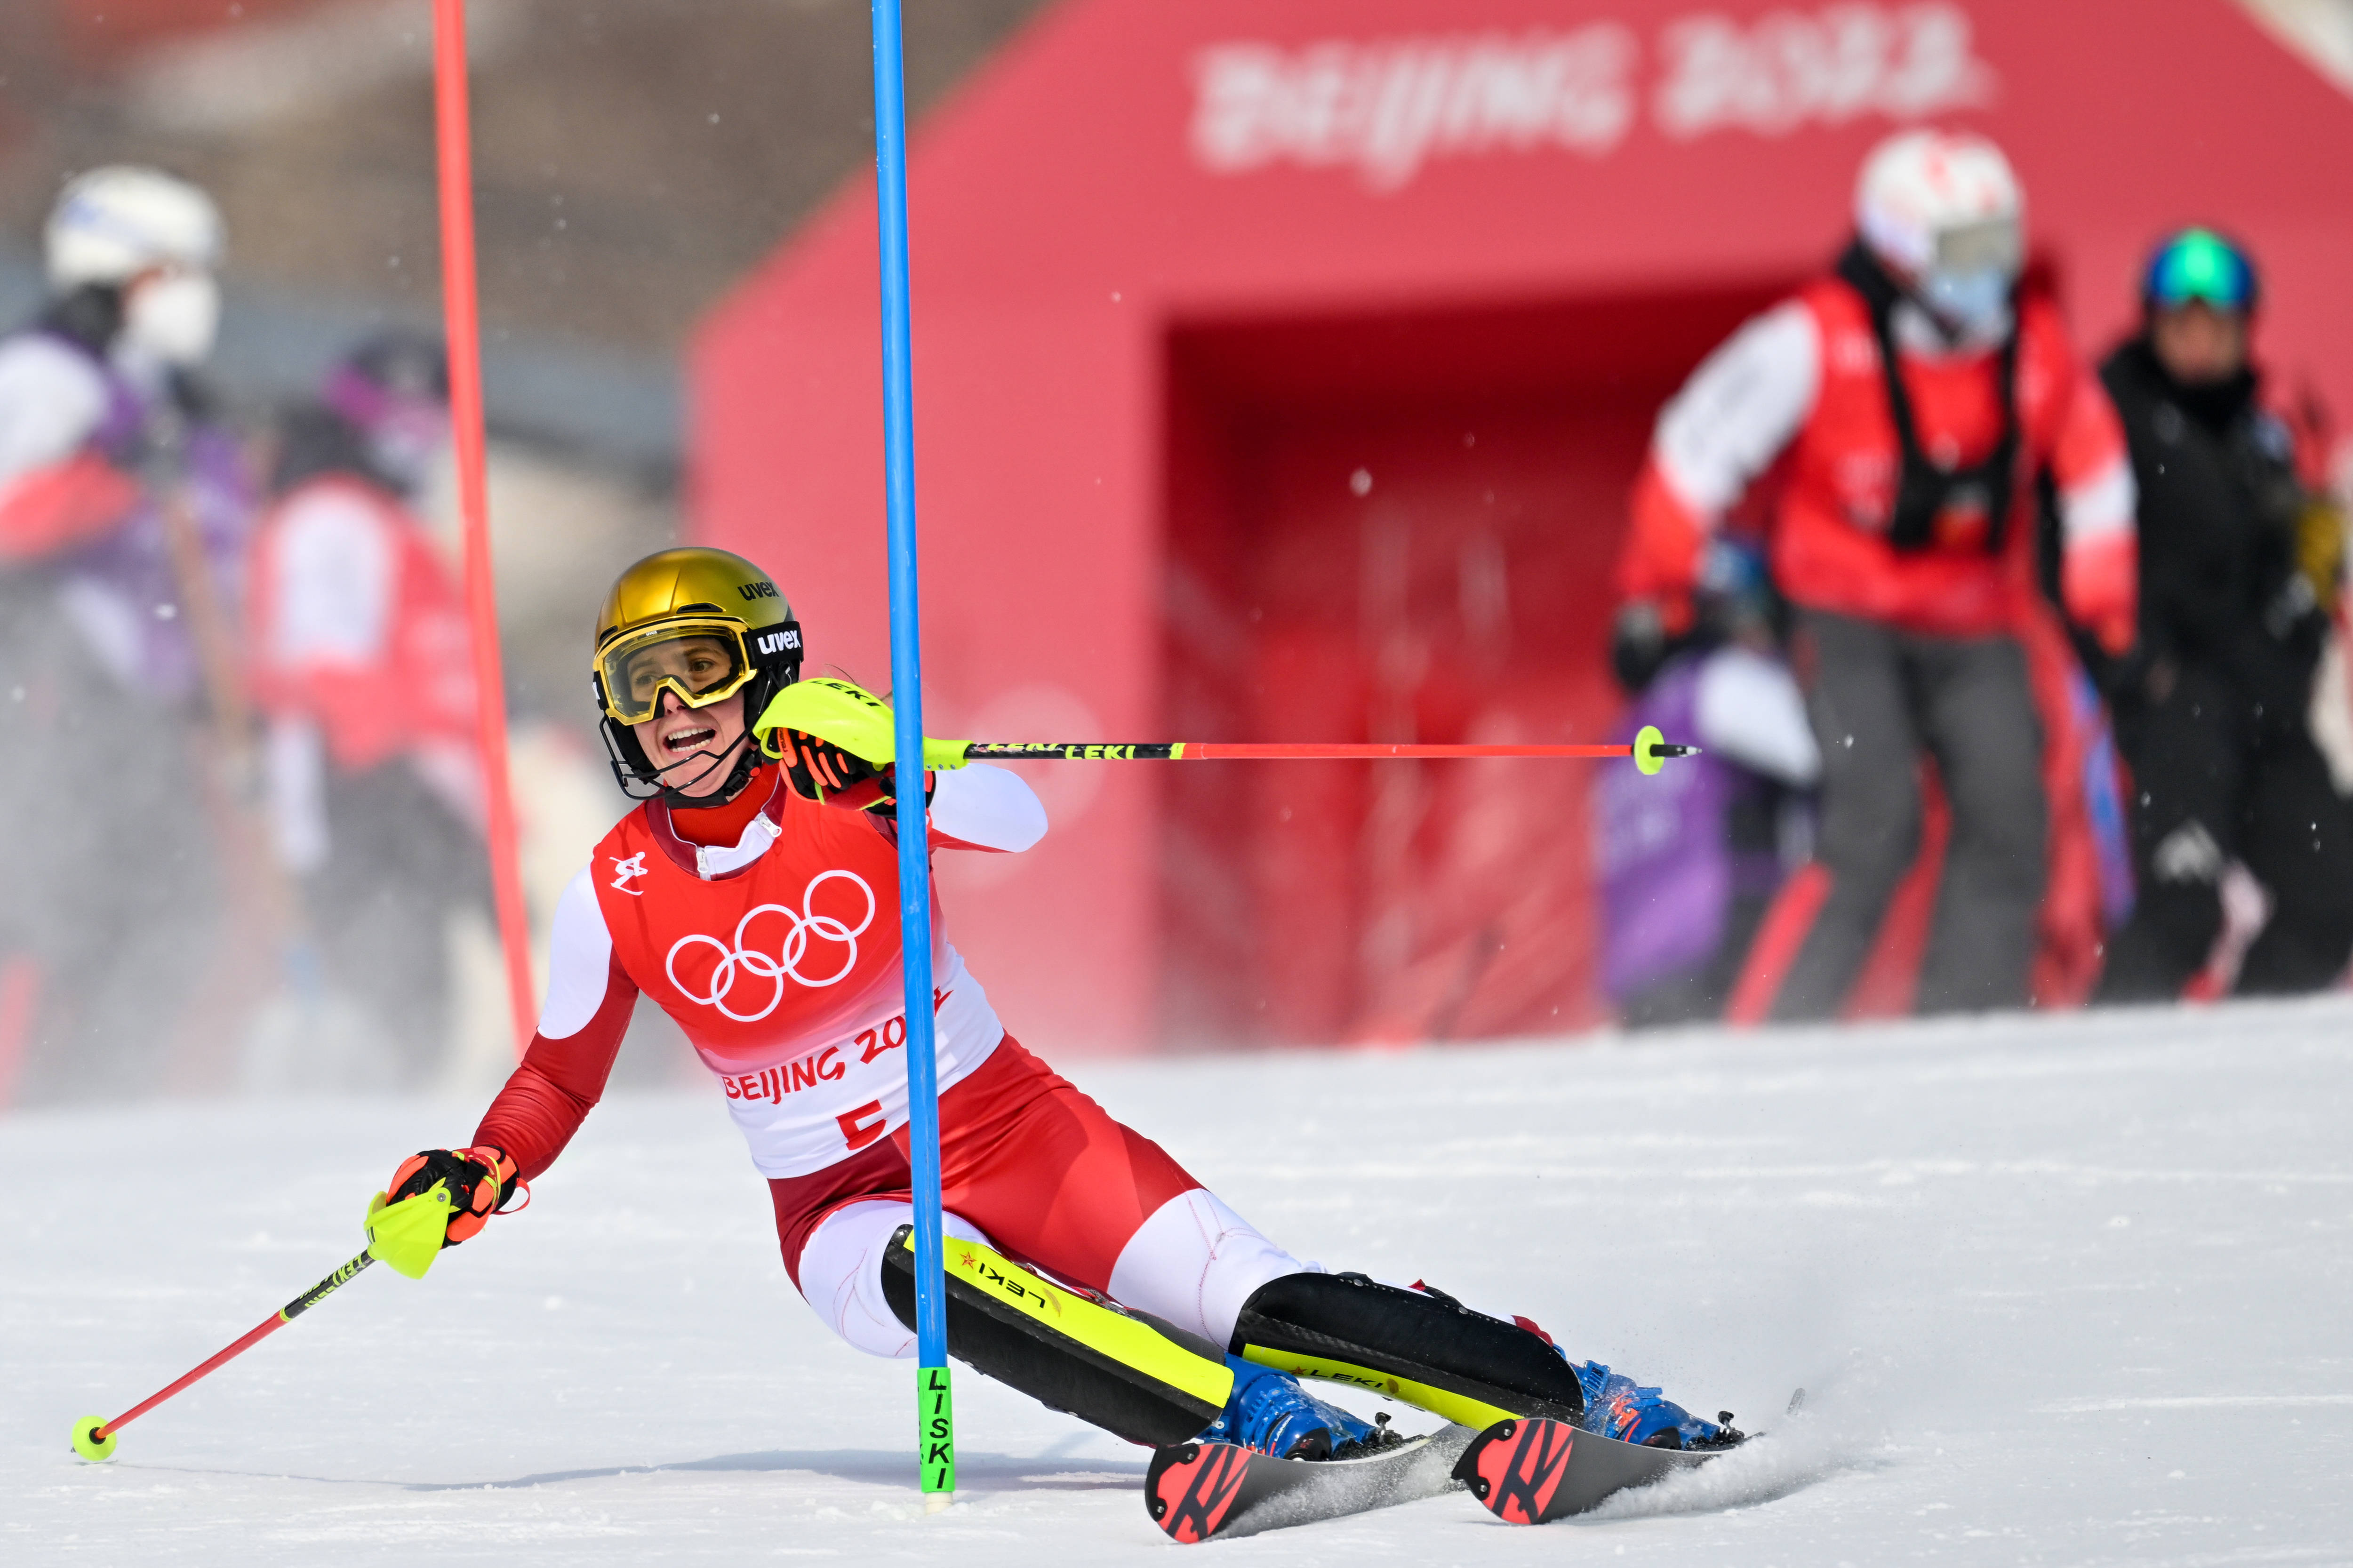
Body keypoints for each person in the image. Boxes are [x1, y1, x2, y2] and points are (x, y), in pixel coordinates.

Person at [366, 546, 1745, 1462]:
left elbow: (1015, 814)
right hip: (839, 1206)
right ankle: (1241, 1423)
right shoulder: (610, 886)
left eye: (702, 671)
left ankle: (1572, 1396)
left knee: (1250, 1292)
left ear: (765, 666)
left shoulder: (849, 785)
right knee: (929, 1271)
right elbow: (556, 1076)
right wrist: (478, 1169)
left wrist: (894, 754)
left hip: (1018, 1127)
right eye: (637, 686)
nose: (673, 713)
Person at [1614, 128, 2137, 1021]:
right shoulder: (1811, 339)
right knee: (1874, 819)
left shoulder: (2035, 349)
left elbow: (2094, 465)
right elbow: (1696, 449)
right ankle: (1779, 1033)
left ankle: (1962, 1021)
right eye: (1964, 251)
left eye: (1997, 246)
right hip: (1841, 615)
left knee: (2011, 815)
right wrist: (1656, 588)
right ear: (1899, 249)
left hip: (1975, 619)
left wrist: (2104, 603)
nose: (1988, 272)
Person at [0, 166, 248, 1098]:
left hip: (139, 698)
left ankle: (103, 1095)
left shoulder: (160, 387)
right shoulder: (48, 375)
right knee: (81, 910)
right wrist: (117, 475)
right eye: (171, 274)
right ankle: (64, 1103)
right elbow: (12, 519)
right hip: (54, 689)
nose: (193, 297)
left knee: (177, 910)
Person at [2092, 230, 2353, 1000]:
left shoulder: (2263, 434)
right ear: (2153, 325)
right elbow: (2070, 555)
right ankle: (2091, 1078)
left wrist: (2308, 582)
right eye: (2183, 324)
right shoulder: (2111, 422)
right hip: (2182, 710)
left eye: (2218, 326)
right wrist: (2141, 668)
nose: (2201, 343)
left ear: (2246, 329)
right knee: (2183, 909)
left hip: (2269, 710)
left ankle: (2238, 1064)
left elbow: (2294, 579)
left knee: (2334, 891)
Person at [246, 332, 486, 1078]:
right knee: (400, 988)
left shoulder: (390, 519)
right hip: (360, 791)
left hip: (417, 788)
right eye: (399, 425)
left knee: (442, 992)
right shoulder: (331, 516)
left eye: (429, 427)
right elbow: (324, 658)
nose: (416, 445)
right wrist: (397, 781)